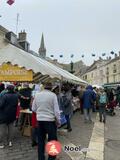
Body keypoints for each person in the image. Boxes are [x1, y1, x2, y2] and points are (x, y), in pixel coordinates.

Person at [32, 82, 61, 160]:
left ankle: (41, 158)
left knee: (41, 141)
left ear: (44, 87)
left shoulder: (37, 95)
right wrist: (58, 122)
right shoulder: (53, 95)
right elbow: (56, 111)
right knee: (52, 141)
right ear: (51, 88)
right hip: (50, 121)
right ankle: (51, 158)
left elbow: (33, 109)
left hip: (40, 121)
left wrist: (40, 111)